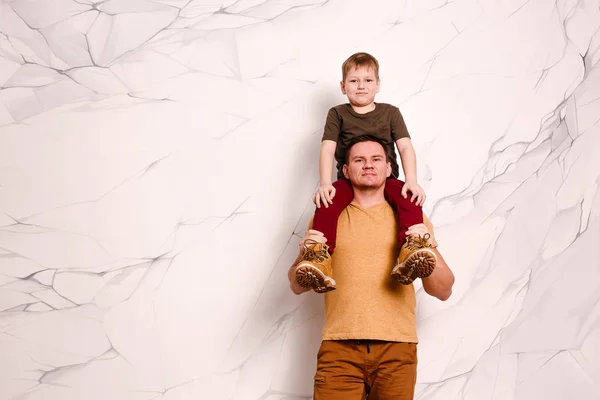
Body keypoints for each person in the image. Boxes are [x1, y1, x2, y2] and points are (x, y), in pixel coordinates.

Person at [288, 137, 455, 399]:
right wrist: (302, 255)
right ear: (345, 170)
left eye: (376, 159)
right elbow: (296, 286)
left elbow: (443, 290)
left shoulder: (414, 219)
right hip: (339, 348)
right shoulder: (325, 216)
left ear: (389, 168)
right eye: (359, 160)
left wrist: (428, 247)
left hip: (397, 348)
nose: (368, 165)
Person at [294, 52, 433, 293]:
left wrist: (411, 180)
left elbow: (405, 147)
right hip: (350, 180)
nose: (361, 86)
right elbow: (328, 149)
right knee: (328, 201)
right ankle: (319, 255)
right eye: (354, 81)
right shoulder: (337, 114)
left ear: (378, 85)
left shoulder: (390, 113)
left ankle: (411, 247)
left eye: (368, 80)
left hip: (384, 179)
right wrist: (325, 183)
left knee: (408, 197)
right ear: (342, 86)